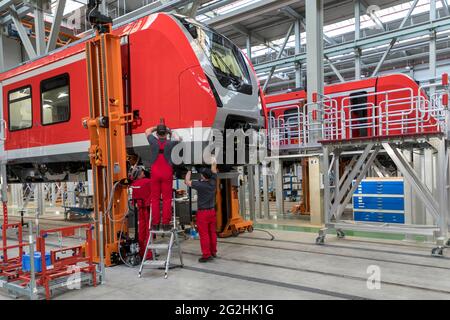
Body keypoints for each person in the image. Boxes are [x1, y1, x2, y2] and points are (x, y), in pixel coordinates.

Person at [145, 121, 182, 231]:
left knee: (155, 199)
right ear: (166, 134)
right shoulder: (171, 143)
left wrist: (156, 127)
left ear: (157, 134)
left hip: (155, 172)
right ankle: (166, 224)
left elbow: (147, 131)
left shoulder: (153, 141)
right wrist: (169, 130)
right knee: (167, 199)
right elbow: (178, 138)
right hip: (167, 172)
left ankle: (155, 224)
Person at [184, 158, 218, 263]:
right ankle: (213, 251)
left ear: (203, 176)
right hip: (212, 212)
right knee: (212, 233)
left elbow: (187, 181)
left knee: (204, 235)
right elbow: (214, 169)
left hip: (203, 213)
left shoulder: (200, 185)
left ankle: (206, 255)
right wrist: (213, 159)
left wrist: (189, 170)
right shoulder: (213, 181)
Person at [129, 165, 152, 260]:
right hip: (147, 210)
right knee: (148, 231)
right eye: (142, 172)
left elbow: (130, 178)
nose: (144, 173)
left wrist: (133, 170)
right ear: (139, 174)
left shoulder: (133, 183)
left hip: (139, 210)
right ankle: (149, 254)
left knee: (141, 232)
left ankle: (142, 252)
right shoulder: (147, 182)